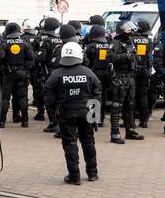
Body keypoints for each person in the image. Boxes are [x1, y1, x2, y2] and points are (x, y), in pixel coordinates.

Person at [43, 40, 101, 185]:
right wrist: (95, 117)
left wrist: (53, 118)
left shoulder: (56, 74)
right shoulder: (88, 73)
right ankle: (92, 173)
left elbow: (48, 99)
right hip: (87, 112)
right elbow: (97, 94)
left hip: (66, 113)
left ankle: (74, 176)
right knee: (88, 141)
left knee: (69, 143)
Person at [84, 23, 122, 144]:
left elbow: (86, 61)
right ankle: (100, 120)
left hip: (94, 73)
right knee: (103, 95)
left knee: (92, 96)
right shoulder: (107, 45)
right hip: (107, 73)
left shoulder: (90, 46)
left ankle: (93, 119)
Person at [0, 21, 35, 128]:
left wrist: (3, 67)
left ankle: (2, 122)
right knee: (22, 97)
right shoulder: (25, 43)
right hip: (21, 74)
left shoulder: (4, 43)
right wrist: (25, 69)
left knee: (5, 98)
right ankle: (25, 121)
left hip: (8, 74)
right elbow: (31, 60)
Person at [111, 21, 145, 141]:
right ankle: (115, 132)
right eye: (128, 30)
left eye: (130, 30)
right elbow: (109, 57)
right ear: (121, 31)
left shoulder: (131, 42)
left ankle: (130, 130)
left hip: (131, 77)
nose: (130, 32)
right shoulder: (114, 43)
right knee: (117, 106)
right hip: (120, 77)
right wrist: (125, 56)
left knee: (130, 105)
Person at [132, 19, 156, 128]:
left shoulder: (131, 39)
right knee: (143, 96)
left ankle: (130, 121)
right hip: (145, 71)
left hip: (133, 71)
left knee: (131, 96)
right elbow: (150, 58)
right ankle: (144, 121)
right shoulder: (148, 41)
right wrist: (149, 70)